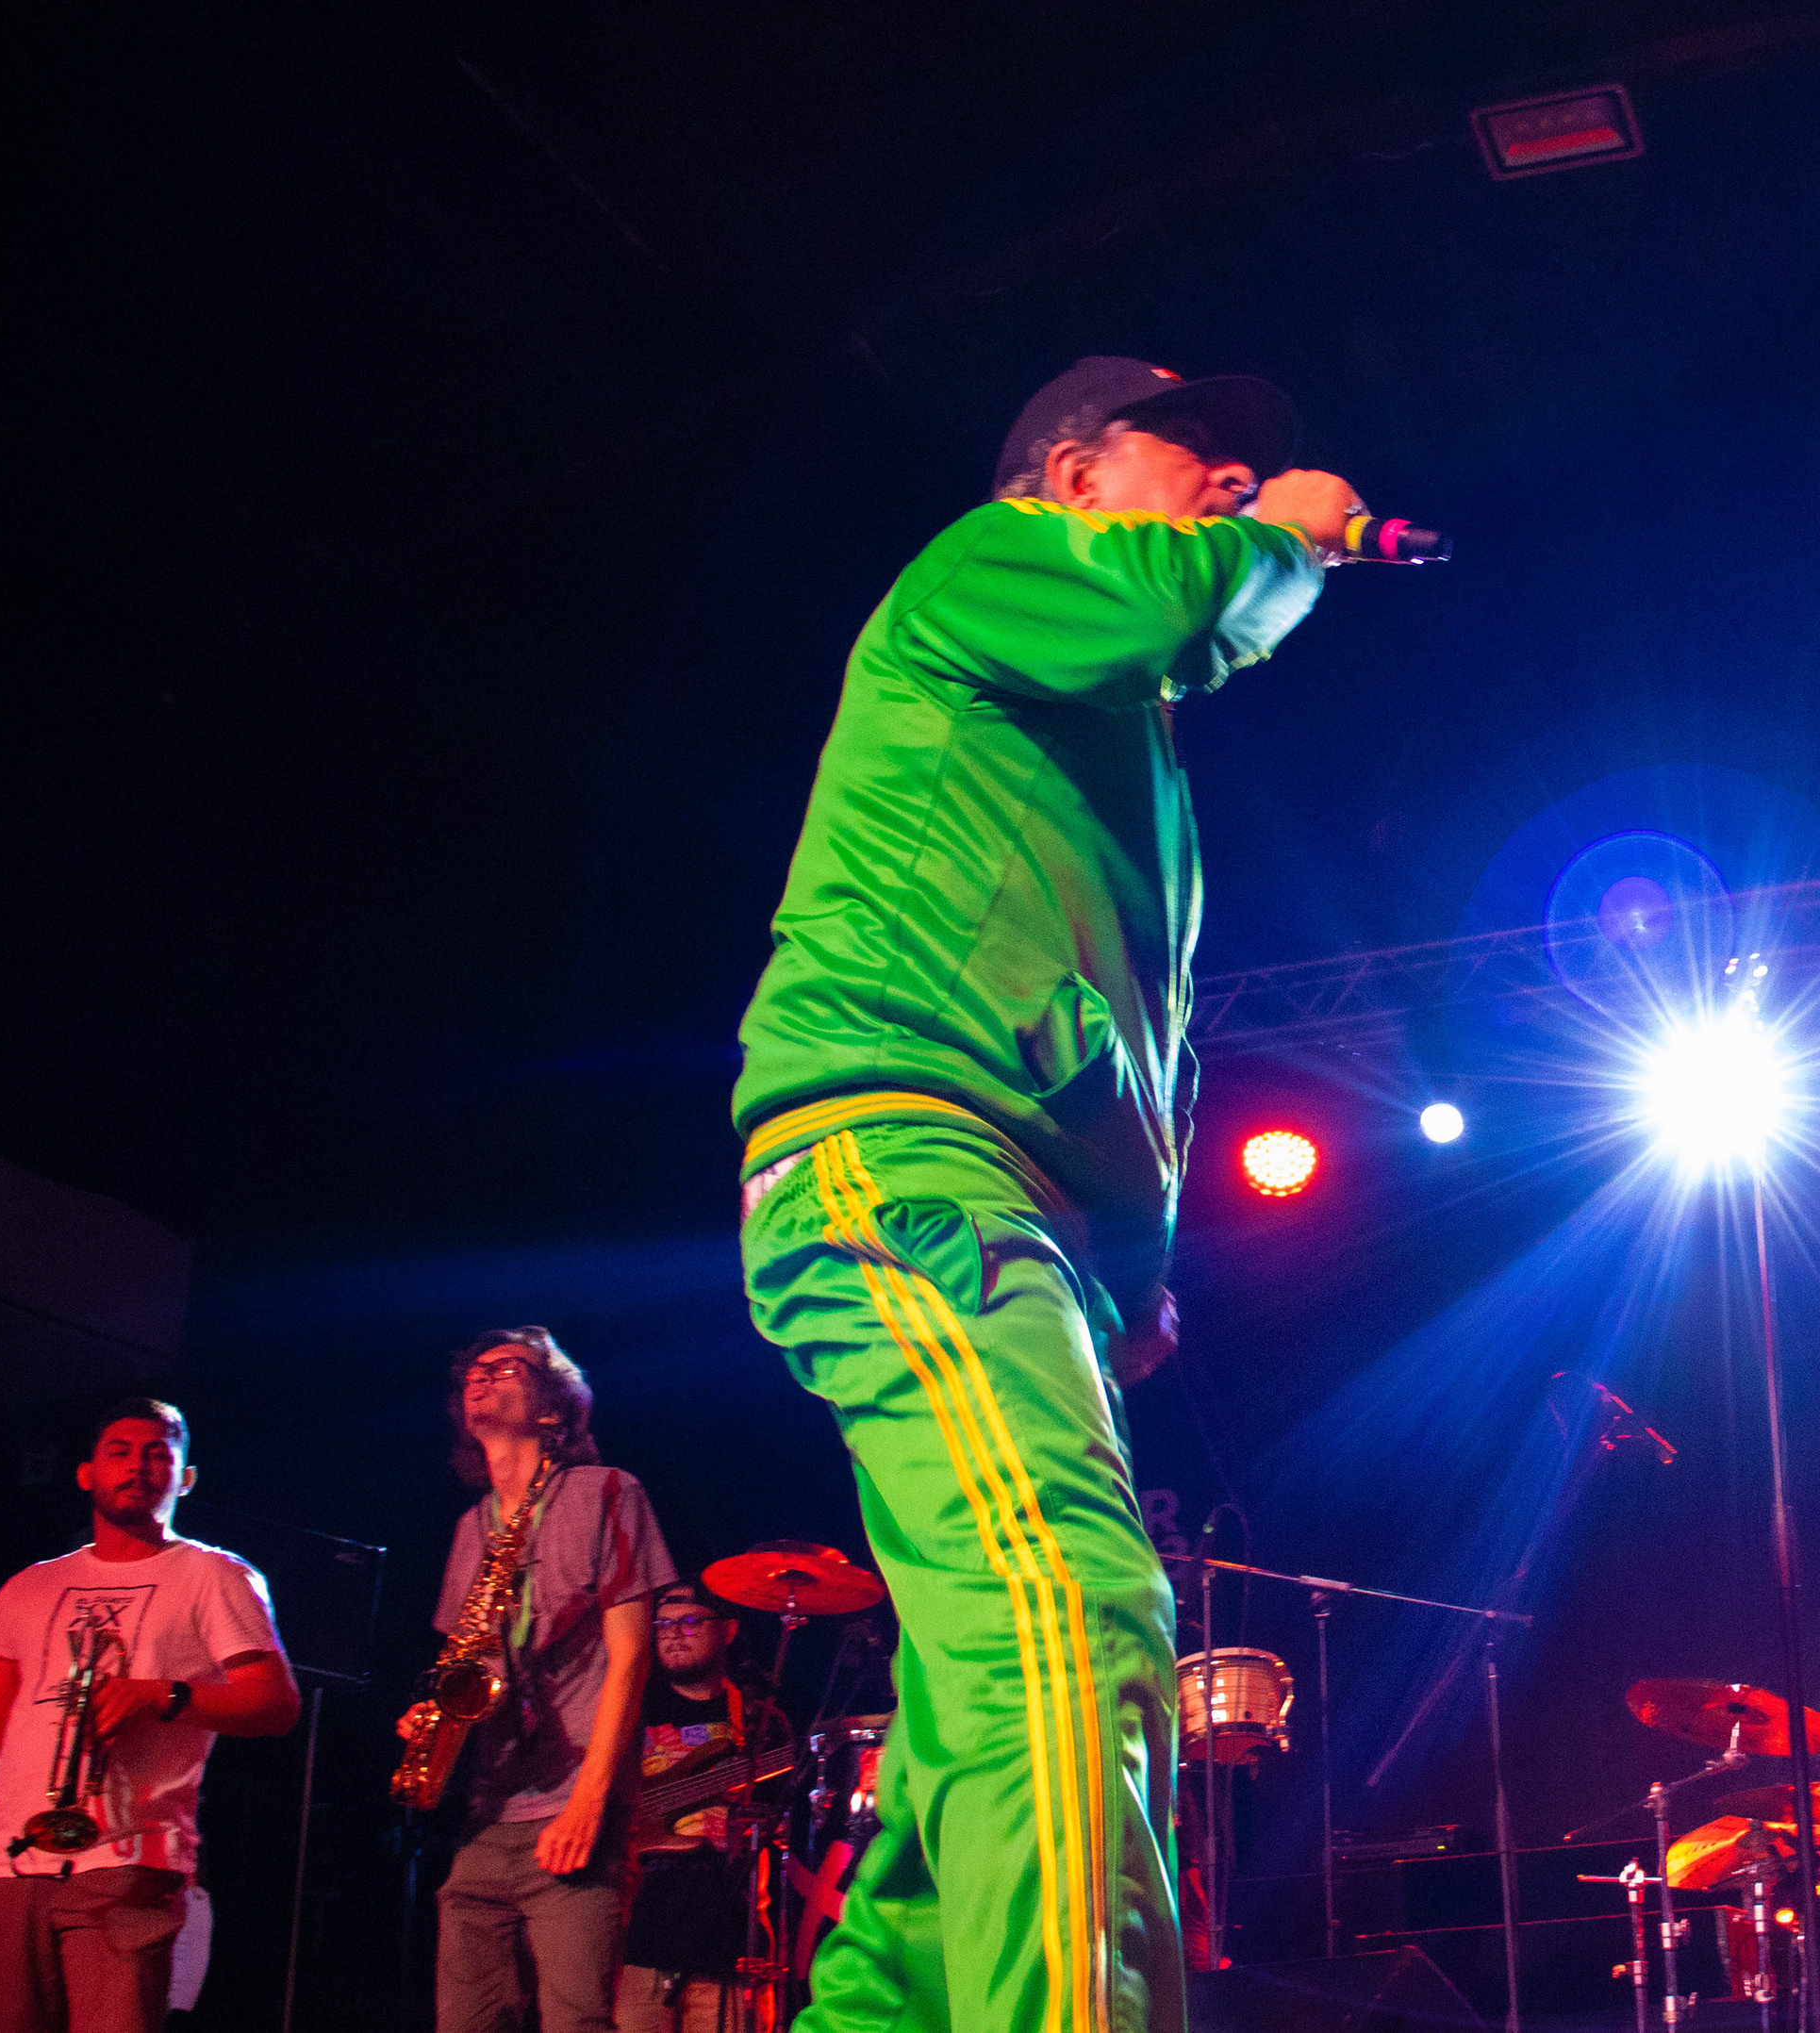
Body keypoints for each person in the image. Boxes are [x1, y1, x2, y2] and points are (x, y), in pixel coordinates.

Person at [731, 353, 1366, 2033]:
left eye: (1250, 472)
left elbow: (1131, 1038)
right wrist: (1291, 543)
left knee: (964, 1763)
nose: (1231, 481)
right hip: (908, 1156)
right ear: (1074, 475)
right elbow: (1180, 604)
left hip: (1015, 1211)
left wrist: (1129, 1275)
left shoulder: (1114, 758)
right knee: (1069, 1626)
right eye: (1197, 451)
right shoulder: (988, 560)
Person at [0, 1397, 299, 2033]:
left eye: (157, 1454)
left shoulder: (216, 1575)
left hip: (130, 1859)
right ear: (86, 1473)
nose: (137, 1466)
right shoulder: (30, 1585)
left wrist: (163, 1695)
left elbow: (276, 1704)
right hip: (6, 1863)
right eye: (119, 1452)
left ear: (185, 1477)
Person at [418, 1329, 677, 2033]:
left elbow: (631, 1657)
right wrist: (435, 1722)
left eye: (507, 1368)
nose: (482, 1377)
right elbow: (469, 1669)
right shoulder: (470, 1527)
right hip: (487, 1819)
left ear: (553, 1409)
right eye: (474, 1370)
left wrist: (589, 1803)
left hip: (574, 1813)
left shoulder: (608, 1491)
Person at [617, 1580, 796, 2033]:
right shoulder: (631, 1711)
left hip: (726, 1943)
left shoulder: (759, 1721)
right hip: (634, 1944)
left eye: (691, 1621)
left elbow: (784, 1827)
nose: (674, 1633)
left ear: (728, 1630)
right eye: (662, 1624)